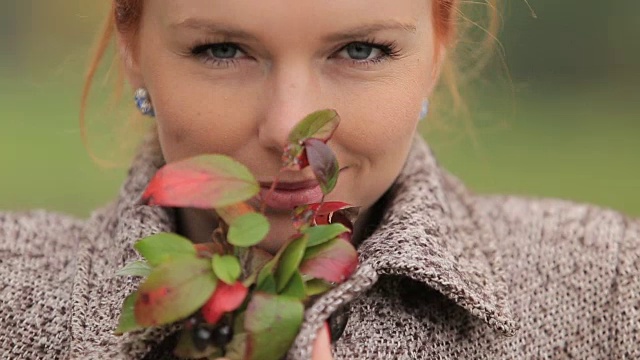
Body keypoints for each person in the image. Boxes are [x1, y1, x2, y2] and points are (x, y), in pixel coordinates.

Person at [1, 0, 638, 359]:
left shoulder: (611, 286)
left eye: (361, 51)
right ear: (134, 50)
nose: (286, 129)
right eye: (222, 49)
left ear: (436, 52)